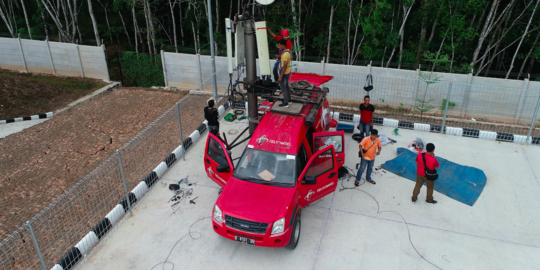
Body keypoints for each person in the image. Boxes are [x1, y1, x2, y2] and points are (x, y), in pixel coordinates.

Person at [277, 39, 292, 107]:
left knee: (283, 88)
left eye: (279, 45)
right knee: (286, 86)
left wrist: (280, 76)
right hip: (287, 72)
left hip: (284, 73)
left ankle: (286, 103)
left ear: (283, 45)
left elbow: (285, 65)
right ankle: (289, 100)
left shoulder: (285, 54)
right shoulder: (287, 51)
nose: (278, 47)